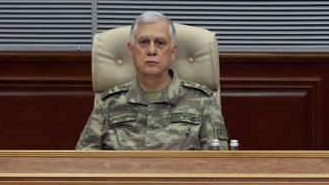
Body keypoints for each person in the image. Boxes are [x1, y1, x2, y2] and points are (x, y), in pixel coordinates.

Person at [75, 11, 227, 150]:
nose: (152, 51)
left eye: (160, 43)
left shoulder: (203, 101)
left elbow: (219, 166)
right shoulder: (108, 103)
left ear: (173, 52)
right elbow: (83, 162)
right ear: (131, 50)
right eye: (144, 42)